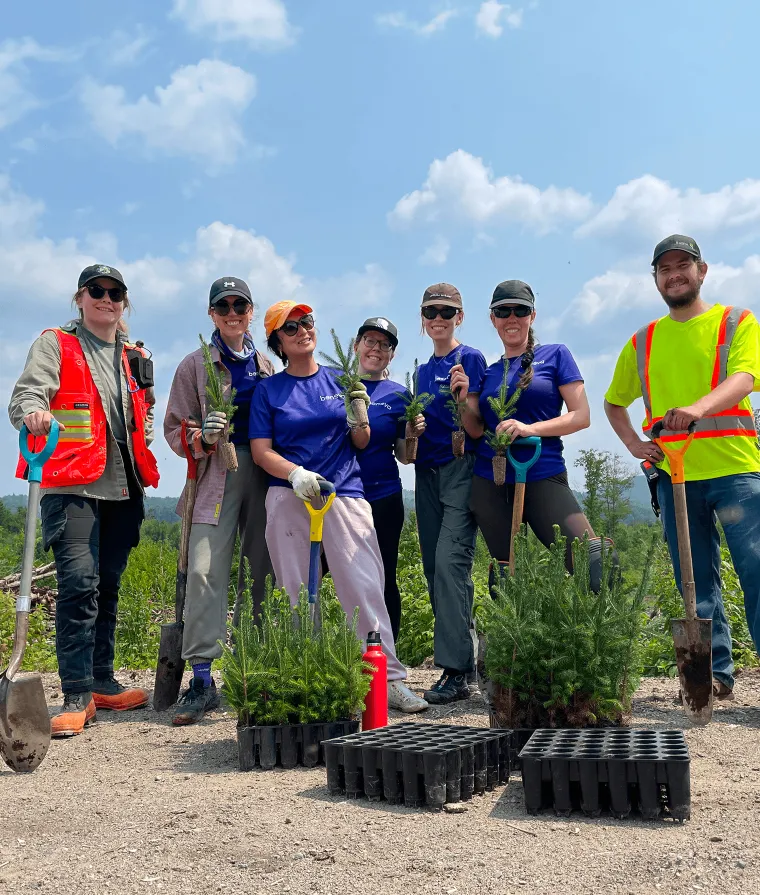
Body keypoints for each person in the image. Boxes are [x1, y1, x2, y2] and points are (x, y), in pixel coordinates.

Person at [250, 300, 427, 713]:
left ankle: (387, 680)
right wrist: (295, 475)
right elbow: (260, 451)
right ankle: (303, 678)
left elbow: (362, 442)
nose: (302, 331)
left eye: (307, 322)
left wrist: (358, 417)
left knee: (364, 586)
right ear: (277, 340)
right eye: (290, 328)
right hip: (289, 496)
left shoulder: (341, 379)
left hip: (344, 491)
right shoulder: (269, 390)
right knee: (296, 592)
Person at [605, 234, 760, 701]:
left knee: (755, 571)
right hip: (675, 478)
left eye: (683, 265)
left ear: (702, 270)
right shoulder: (643, 341)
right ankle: (715, 675)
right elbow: (615, 404)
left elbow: (746, 377)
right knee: (696, 583)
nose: (674, 274)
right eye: (664, 268)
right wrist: (635, 443)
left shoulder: (734, 322)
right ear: (655, 278)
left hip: (736, 470)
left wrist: (696, 408)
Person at [8, 264, 158, 737]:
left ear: (124, 302)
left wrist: (146, 427)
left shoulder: (134, 354)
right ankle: (75, 694)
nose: (106, 299)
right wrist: (32, 411)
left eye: (115, 293)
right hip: (70, 483)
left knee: (107, 583)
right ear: (80, 297)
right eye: (97, 290)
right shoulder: (56, 342)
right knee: (78, 583)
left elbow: (143, 410)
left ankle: (100, 682)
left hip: (122, 484)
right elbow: (29, 391)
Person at [163, 277, 275, 725]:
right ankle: (203, 679)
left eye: (240, 304)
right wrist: (200, 436)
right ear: (211, 313)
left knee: (262, 570)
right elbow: (173, 430)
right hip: (213, 477)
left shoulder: (267, 365)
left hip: (266, 476)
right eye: (223, 305)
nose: (232, 311)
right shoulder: (194, 365)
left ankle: (255, 671)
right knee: (205, 570)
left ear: (251, 311)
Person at [455, 280, 607, 587]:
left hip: (542, 472)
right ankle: (509, 636)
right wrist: (461, 401)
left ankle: (598, 633)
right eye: (503, 311)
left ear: (532, 316)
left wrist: (530, 429)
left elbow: (582, 416)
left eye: (520, 310)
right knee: (504, 576)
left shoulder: (555, 355)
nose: (512, 317)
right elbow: (474, 429)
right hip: (491, 480)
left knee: (596, 564)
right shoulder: (489, 372)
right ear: (493, 319)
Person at [412, 283, 487, 705]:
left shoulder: (470, 358)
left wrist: (462, 397)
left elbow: (475, 426)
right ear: (422, 320)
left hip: (462, 470)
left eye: (447, 311)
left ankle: (456, 670)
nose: (438, 318)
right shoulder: (422, 371)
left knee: (449, 563)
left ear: (460, 316)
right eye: (431, 312)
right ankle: (466, 662)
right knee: (433, 568)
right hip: (427, 473)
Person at [353, 316, 409, 642]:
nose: (376, 349)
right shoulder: (335, 386)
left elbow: (403, 454)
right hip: (340, 498)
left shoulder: (399, 395)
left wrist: (413, 434)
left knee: (384, 577)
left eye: (384, 344)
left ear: (391, 354)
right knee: (323, 573)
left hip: (384, 497)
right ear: (357, 345)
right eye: (370, 341)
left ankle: (388, 658)